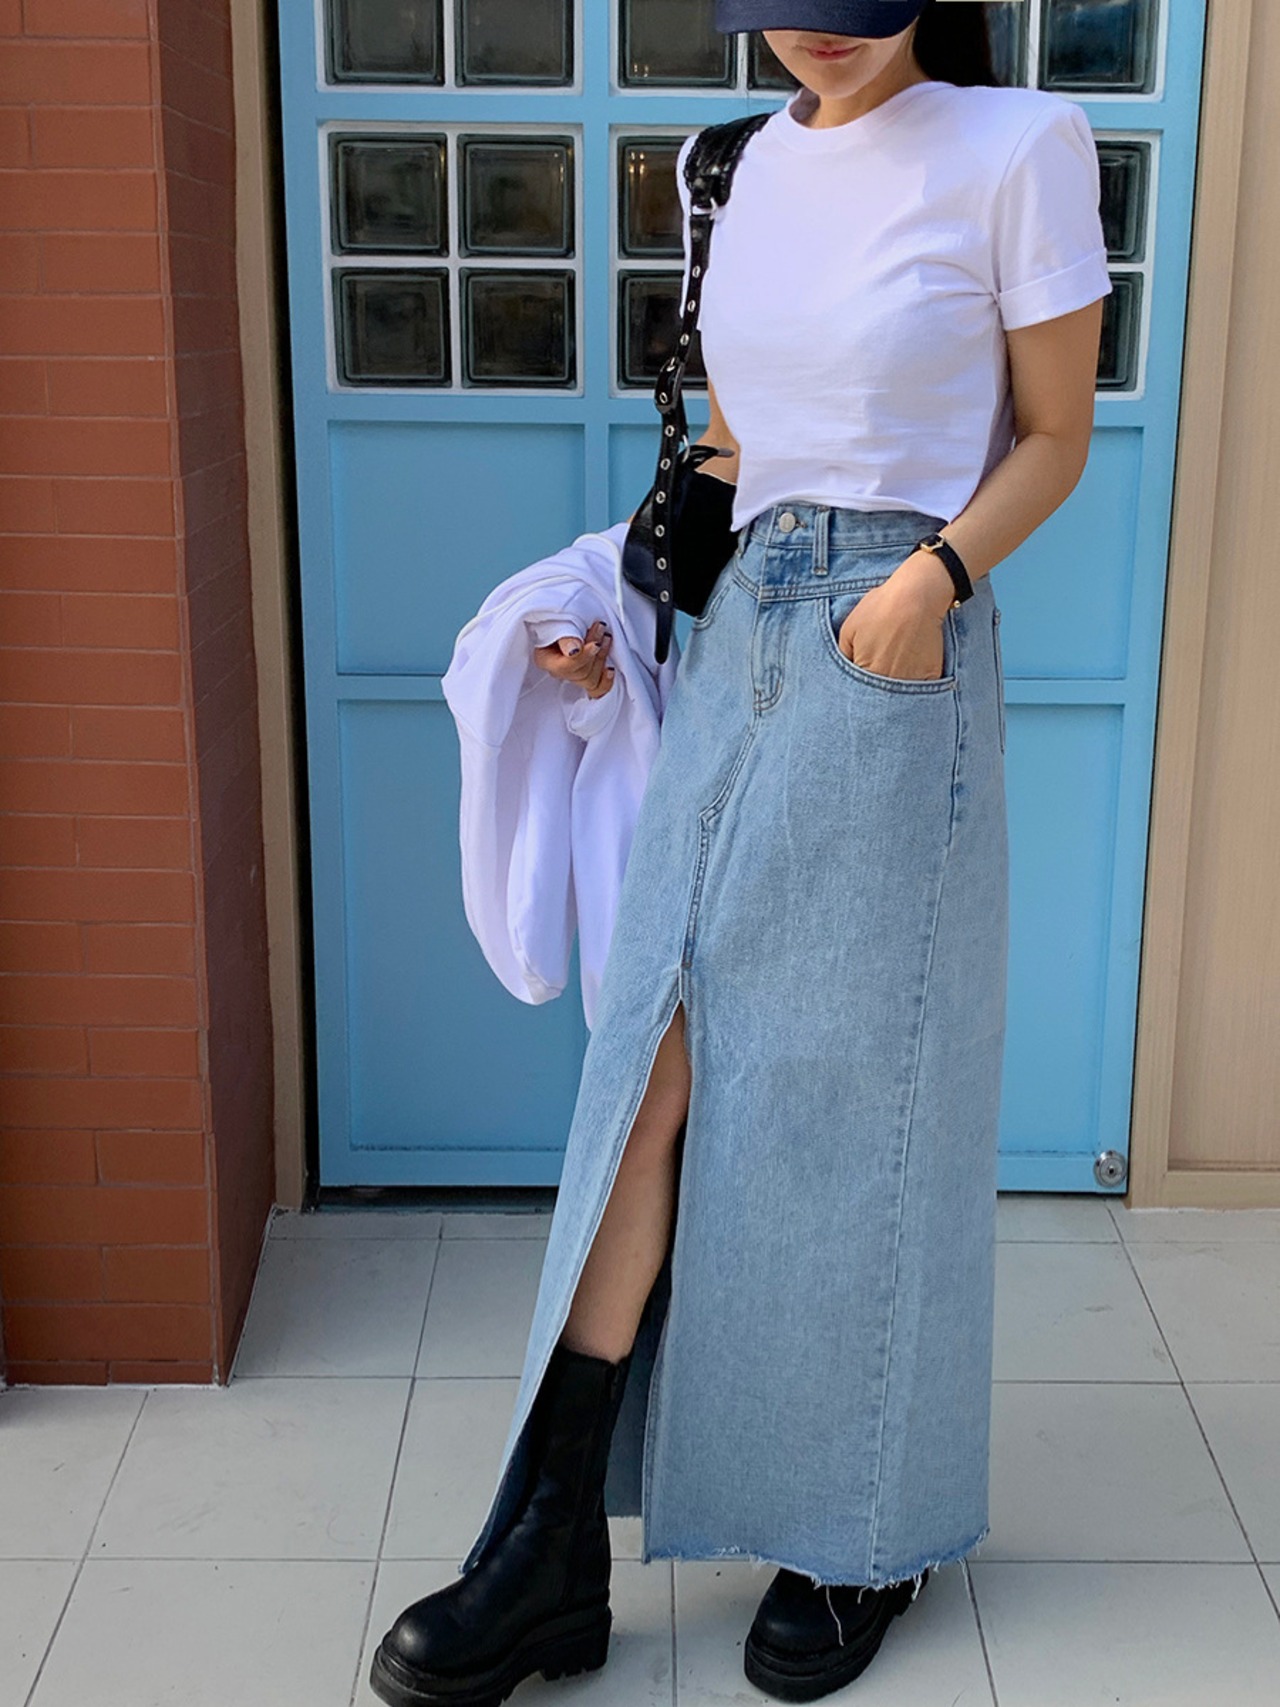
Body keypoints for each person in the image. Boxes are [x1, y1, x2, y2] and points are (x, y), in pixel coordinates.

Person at [370, 3, 1111, 1704]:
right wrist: (621, 613)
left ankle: (860, 1535)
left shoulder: (1018, 146)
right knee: (651, 1069)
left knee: (856, 1090)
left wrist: (927, 587)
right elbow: (731, 448)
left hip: (894, 635)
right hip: (738, 632)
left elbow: (1054, 436)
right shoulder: (734, 166)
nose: (814, 36)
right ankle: (549, 1544)